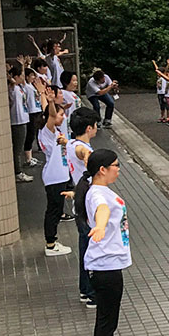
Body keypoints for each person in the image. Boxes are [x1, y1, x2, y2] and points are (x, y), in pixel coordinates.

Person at [74, 148, 137, 336]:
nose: (119, 169)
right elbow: (102, 210)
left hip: (107, 264)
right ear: (103, 170)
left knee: (108, 317)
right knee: (107, 319)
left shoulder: (95, 189)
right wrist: (99, 226)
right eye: (116, 165)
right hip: (104, 266)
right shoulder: (98, 195)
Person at [68, 108, 101, 308]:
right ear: (89, 128)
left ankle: (85, 289)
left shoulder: (71, 143)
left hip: (81, 203)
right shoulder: (82, 149)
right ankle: (90, 292)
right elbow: (85, 154)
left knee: (85, 246)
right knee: (90, 249)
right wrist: (92, 158)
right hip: (88, 205)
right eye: (95, 126)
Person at [38, 98, 72, 256]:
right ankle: (50, 244)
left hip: (60, 176)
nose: (63, 117)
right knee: (54, 210)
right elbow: (50, 115)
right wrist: (50, 101)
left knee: (57, 209)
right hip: (54, 177)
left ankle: (52, 242)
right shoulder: (47, 132)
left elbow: (51, 114)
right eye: (60, 114)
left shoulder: (55, 131)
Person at [8, 62, 32, 183]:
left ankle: (18, 171)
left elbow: (21, 79)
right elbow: (11, 81)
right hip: (17, 121)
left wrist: (23, 66)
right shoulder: (12, 87)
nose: (23, 77)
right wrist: (9, 74)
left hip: (23, 119)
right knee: (17, 149)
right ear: (15, 77)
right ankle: (18, 172)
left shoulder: (20, 87)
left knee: (20, 147)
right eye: (20, 76)